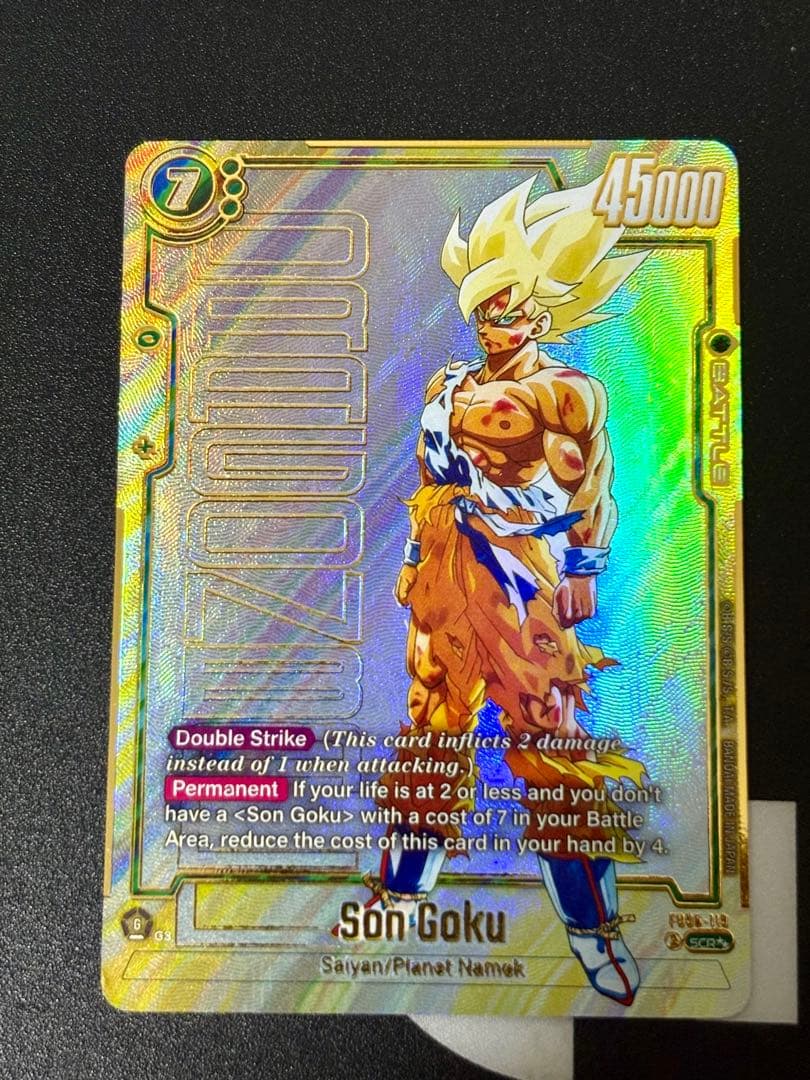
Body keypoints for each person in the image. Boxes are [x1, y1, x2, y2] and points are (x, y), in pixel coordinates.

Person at [357, 172, 648, 1006]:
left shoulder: (566, 393)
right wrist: (415, 561)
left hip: (524, 575)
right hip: (448, 573)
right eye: (483, 309)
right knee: (432, 736)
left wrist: (585, 569)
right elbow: (431, 483)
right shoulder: (448, 388)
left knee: (552, 745)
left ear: (538, 316)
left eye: (508, 308)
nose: (493, 323)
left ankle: (594, 929)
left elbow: (591, 487)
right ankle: (400, 898)